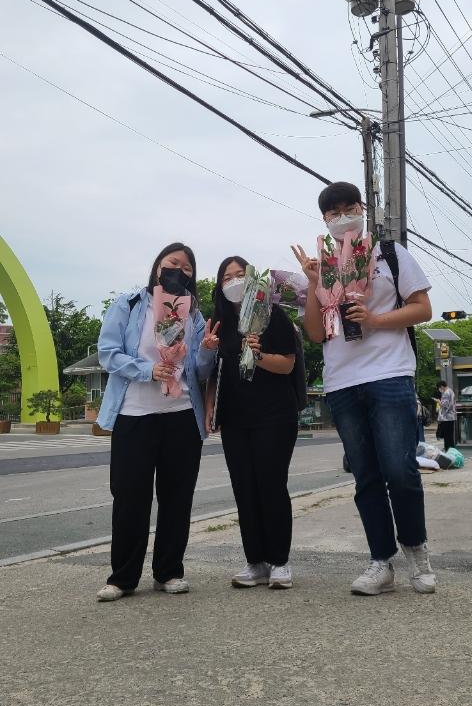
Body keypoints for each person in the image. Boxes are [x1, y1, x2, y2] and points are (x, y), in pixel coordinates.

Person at [293, 181, 437, 596]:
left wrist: (374, 320)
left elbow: (422, 308)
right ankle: (380, 561)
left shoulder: (389, 254)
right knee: (365, 476)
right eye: (332, 212)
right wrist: (315, 283)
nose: (342, 217)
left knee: (400, 469)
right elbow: (316, 333)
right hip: (342, 381)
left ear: (362, 208)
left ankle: (416, 551)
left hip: (389, 374)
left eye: (348, 208)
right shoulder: (324, 264)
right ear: (324, 220)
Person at [95, 243, 218, 602]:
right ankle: (122, 578)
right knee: (129, 496)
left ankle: (169, 571)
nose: (180, 270)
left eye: (188, 267)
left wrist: (208, 349)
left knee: (177, 497)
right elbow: (108, 353)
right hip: (134, 414)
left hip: (181, 415)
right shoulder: (130, 304)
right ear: (158, 266)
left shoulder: (194, 314)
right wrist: (148, 369)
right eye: (173, 262)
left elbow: (199, 371)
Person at [205, 256, 298, 590]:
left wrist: (258, 356)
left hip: (274, 415)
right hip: (235, 417)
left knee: (271, 485)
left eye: (239, 274)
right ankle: (255, 561)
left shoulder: (272, 314)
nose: (233, 281)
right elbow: (214, 370)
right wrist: (210, 405)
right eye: (226, 277)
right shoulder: (219, 322)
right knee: (244, 488)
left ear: (252, 279)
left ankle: (280, 561)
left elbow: (287, 365)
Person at [437, 380, 456, 451]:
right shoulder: (451, 391)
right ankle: (452, 450)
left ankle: (448, 450)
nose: (439, 389)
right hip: (452, 416)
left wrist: (439, 402)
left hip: (446, 417)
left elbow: (445, 405)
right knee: (450, 436)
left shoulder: (446, 393)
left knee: (447, 436)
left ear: (442, 386)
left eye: (439, 388)